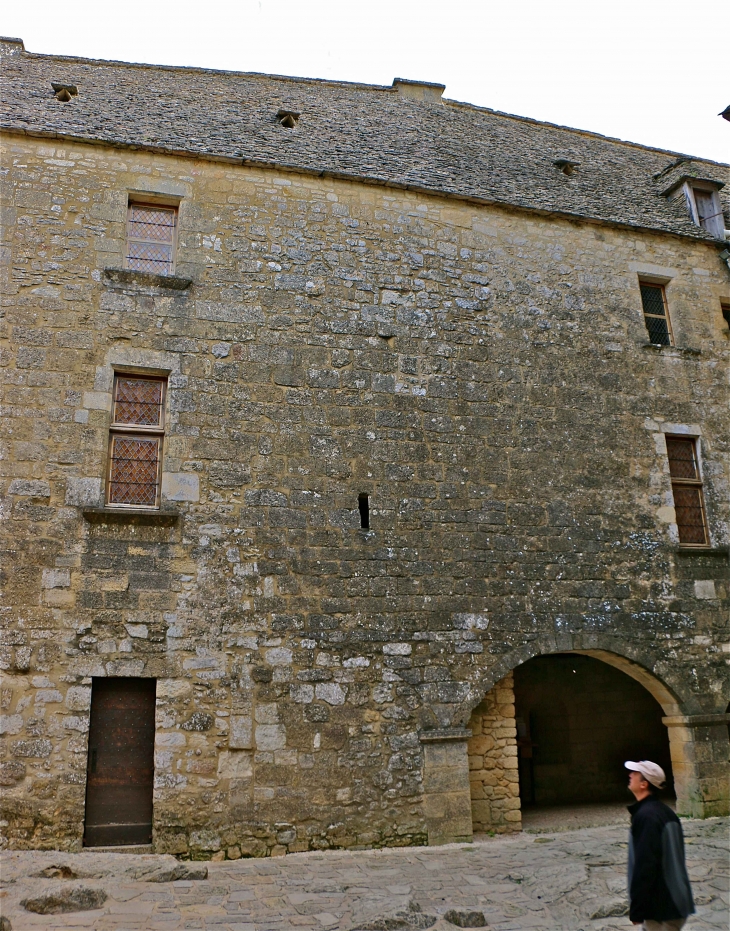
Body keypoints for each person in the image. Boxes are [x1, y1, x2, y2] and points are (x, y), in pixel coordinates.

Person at [625, 760, 695, 930]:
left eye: (634, 773)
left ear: (644, 784)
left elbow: (646, 864)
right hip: (671, 902)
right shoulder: (665, 813)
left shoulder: (647, 817)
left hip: (663, 907)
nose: (630, 775)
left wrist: (637, 908)